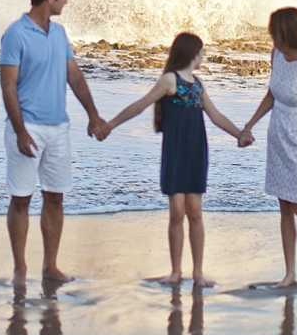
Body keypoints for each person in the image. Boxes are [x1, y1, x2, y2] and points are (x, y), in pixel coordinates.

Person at [105, 32, 248, 288]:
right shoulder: (170, 80)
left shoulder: (198, 84)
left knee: (195, 212)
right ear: (192, 54)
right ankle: (175, 271)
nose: (203, 57)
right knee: (176, 213)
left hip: (196, 152)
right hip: (175, 150)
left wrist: (239, 133)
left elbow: (215, 116)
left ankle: (198, 272)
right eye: (201, 53)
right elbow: (140, 105)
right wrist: (111, 124)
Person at [0, 0, 109, 286]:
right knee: (21, 198)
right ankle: (20, 268)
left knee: (55, 197)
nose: (65, 2)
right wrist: (20, 131)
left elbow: (74, 77)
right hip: (27, 126)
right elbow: (8, 86)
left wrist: (93, 115)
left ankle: (50, 266)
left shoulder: (59, 34)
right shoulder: (15, 34)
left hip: (58, 127)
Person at [240, 6, 297, 293]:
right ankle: (290, 272)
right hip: (277, 135)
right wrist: (249, 124)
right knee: (284, 208)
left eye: (274, 31)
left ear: (287, 31)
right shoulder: (276, 55)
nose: (271, 36)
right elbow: (272, 93)